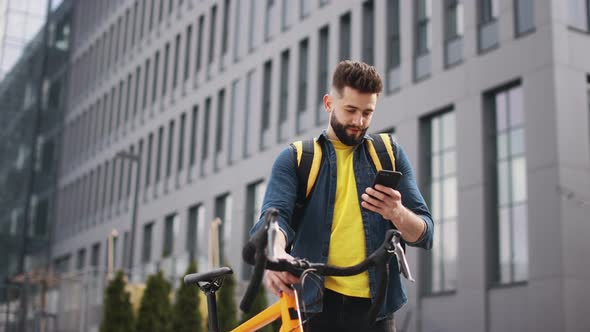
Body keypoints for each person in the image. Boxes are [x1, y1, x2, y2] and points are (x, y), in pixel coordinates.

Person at [251, 60, 434, 332]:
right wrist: (277, 252)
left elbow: (425, 233)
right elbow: (274, 219)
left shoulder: (389, 154)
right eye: (350, 110)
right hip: (315, 307)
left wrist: (397, 213)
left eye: (367, 113)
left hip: (378, 309)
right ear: (328, 103)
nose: (359, 122)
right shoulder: (297, 159)